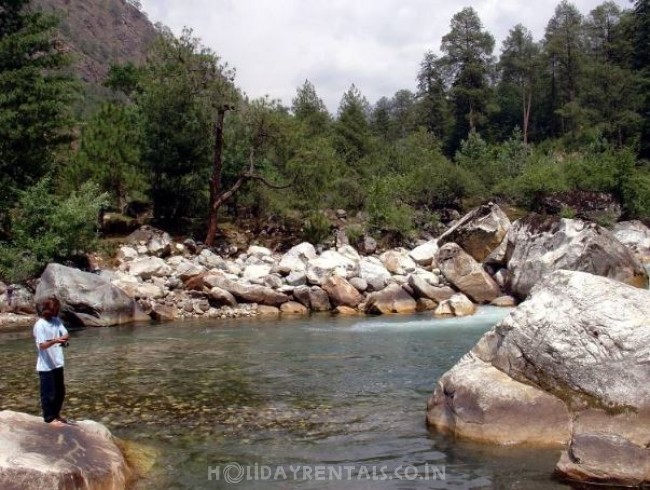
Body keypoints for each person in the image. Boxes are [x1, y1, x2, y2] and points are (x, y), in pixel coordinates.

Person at [33, 297, 69, 427]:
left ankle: (57, 414)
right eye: (54, 310)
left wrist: (59, 340)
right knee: (48, 393)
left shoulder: (56, 321)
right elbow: (42, 345)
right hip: (46, 365)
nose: (56, 312)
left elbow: (65, 334)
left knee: (60, 391)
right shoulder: (40, 325)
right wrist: (55, 341)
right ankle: (49, 418)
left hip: (57, 362)